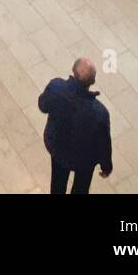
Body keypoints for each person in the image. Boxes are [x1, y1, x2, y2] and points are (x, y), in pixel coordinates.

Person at [37, 58, 113, 195]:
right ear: (92, 82)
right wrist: (106, 166)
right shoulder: (99, 113)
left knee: (58, 183)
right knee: (81, 188)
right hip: (85, 159)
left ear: (73, 71)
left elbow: (43, 105)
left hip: (58, 147)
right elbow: (103, 143)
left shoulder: (56, 87)